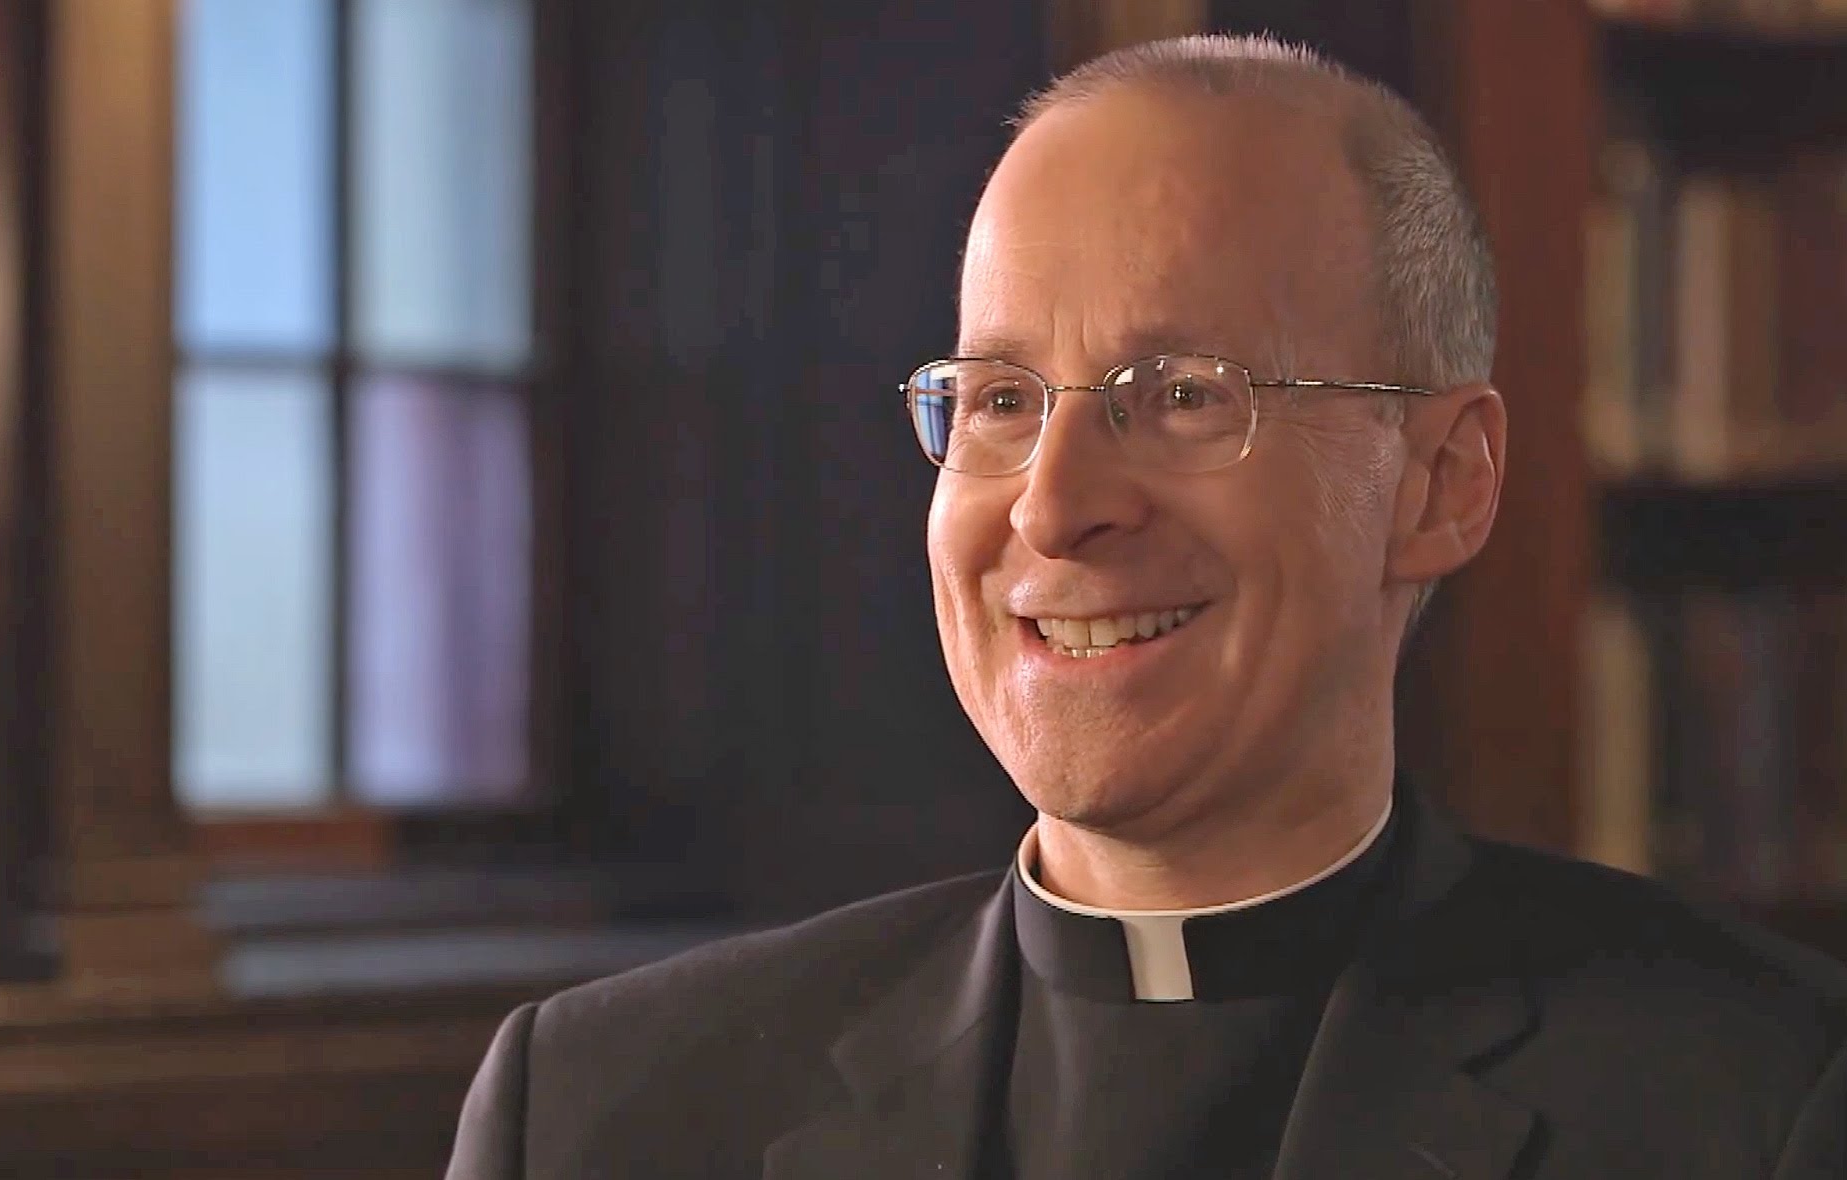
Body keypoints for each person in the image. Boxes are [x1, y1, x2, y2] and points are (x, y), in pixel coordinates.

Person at [446, 34, 1847, 1179]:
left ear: (1440, 483)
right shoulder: (598, 1114)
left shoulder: (1762, 1105)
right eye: (1001, 401)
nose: (1053, 507)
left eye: (1182, 396)